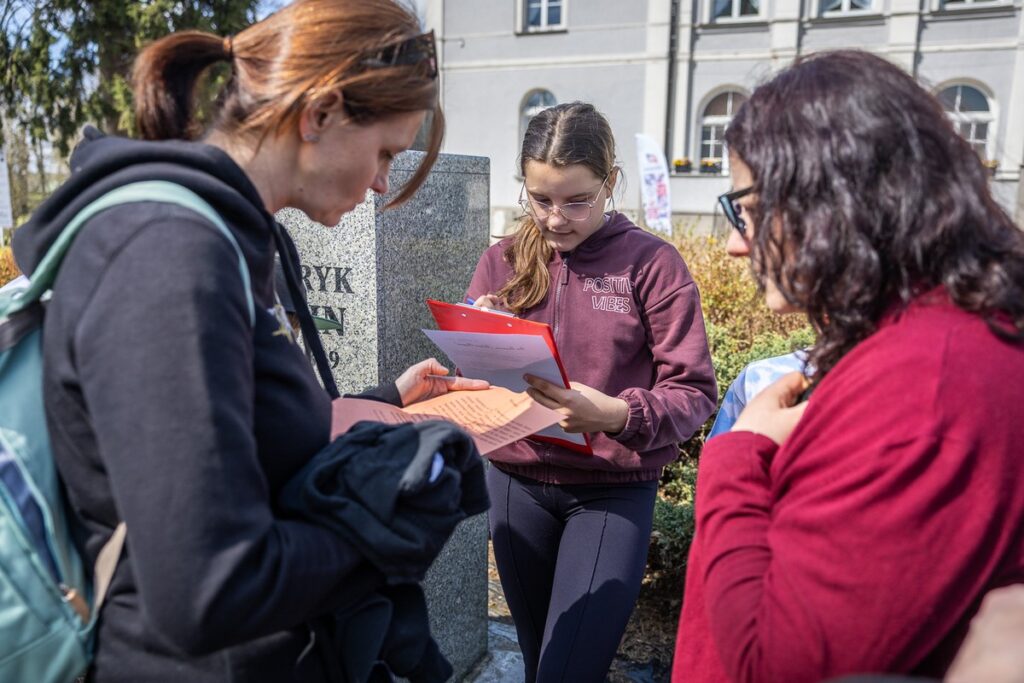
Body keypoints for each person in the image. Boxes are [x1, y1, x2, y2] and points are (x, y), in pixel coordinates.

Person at [11, 1, 487, 680]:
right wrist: (394, 517)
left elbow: (233, 425)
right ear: (318, 113)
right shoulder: (170, 255)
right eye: (384, 152)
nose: (384, 181)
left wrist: (383, 400)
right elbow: (208, 590)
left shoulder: (235, 235)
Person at [672, 50, 1024, 683]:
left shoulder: (924, 386)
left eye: (746, 209)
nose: (734, 241)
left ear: (831, 199)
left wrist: (740, 454)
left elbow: (775, 664)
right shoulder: (924, 338)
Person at [466, 101, 717, 682]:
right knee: (538, 663)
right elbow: (476, 384)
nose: (557, 218)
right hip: (516, 482)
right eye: (541, 198)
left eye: (578, 199)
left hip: (611, 491)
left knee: (569, 671)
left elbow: (695, 390)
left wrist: (615, 413)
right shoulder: (500, 260)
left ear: (611, 183)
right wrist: (479, 342)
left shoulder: (654, 264)